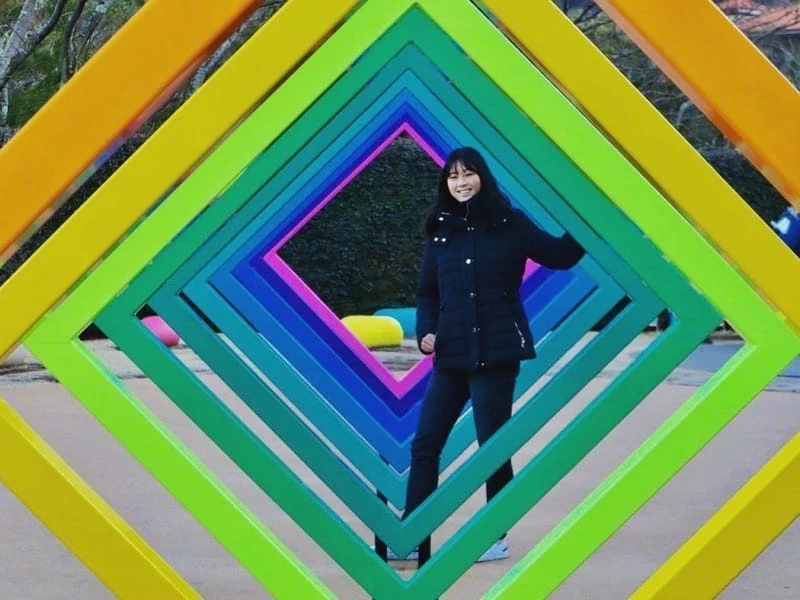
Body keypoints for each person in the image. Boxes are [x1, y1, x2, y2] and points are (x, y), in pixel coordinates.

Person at [388, 147, 585, 564]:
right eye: (453, 176)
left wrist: (589, 218)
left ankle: (495, 535)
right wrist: (426, 331)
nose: (460, 182)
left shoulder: (510, 224)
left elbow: (560, 255)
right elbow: (427, 293)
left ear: (483, 177)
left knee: (492, 446)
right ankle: (413, 530)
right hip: (451, 352)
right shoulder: (441, 232)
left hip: (497, 352)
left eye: (468, 174)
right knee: (425, 444)